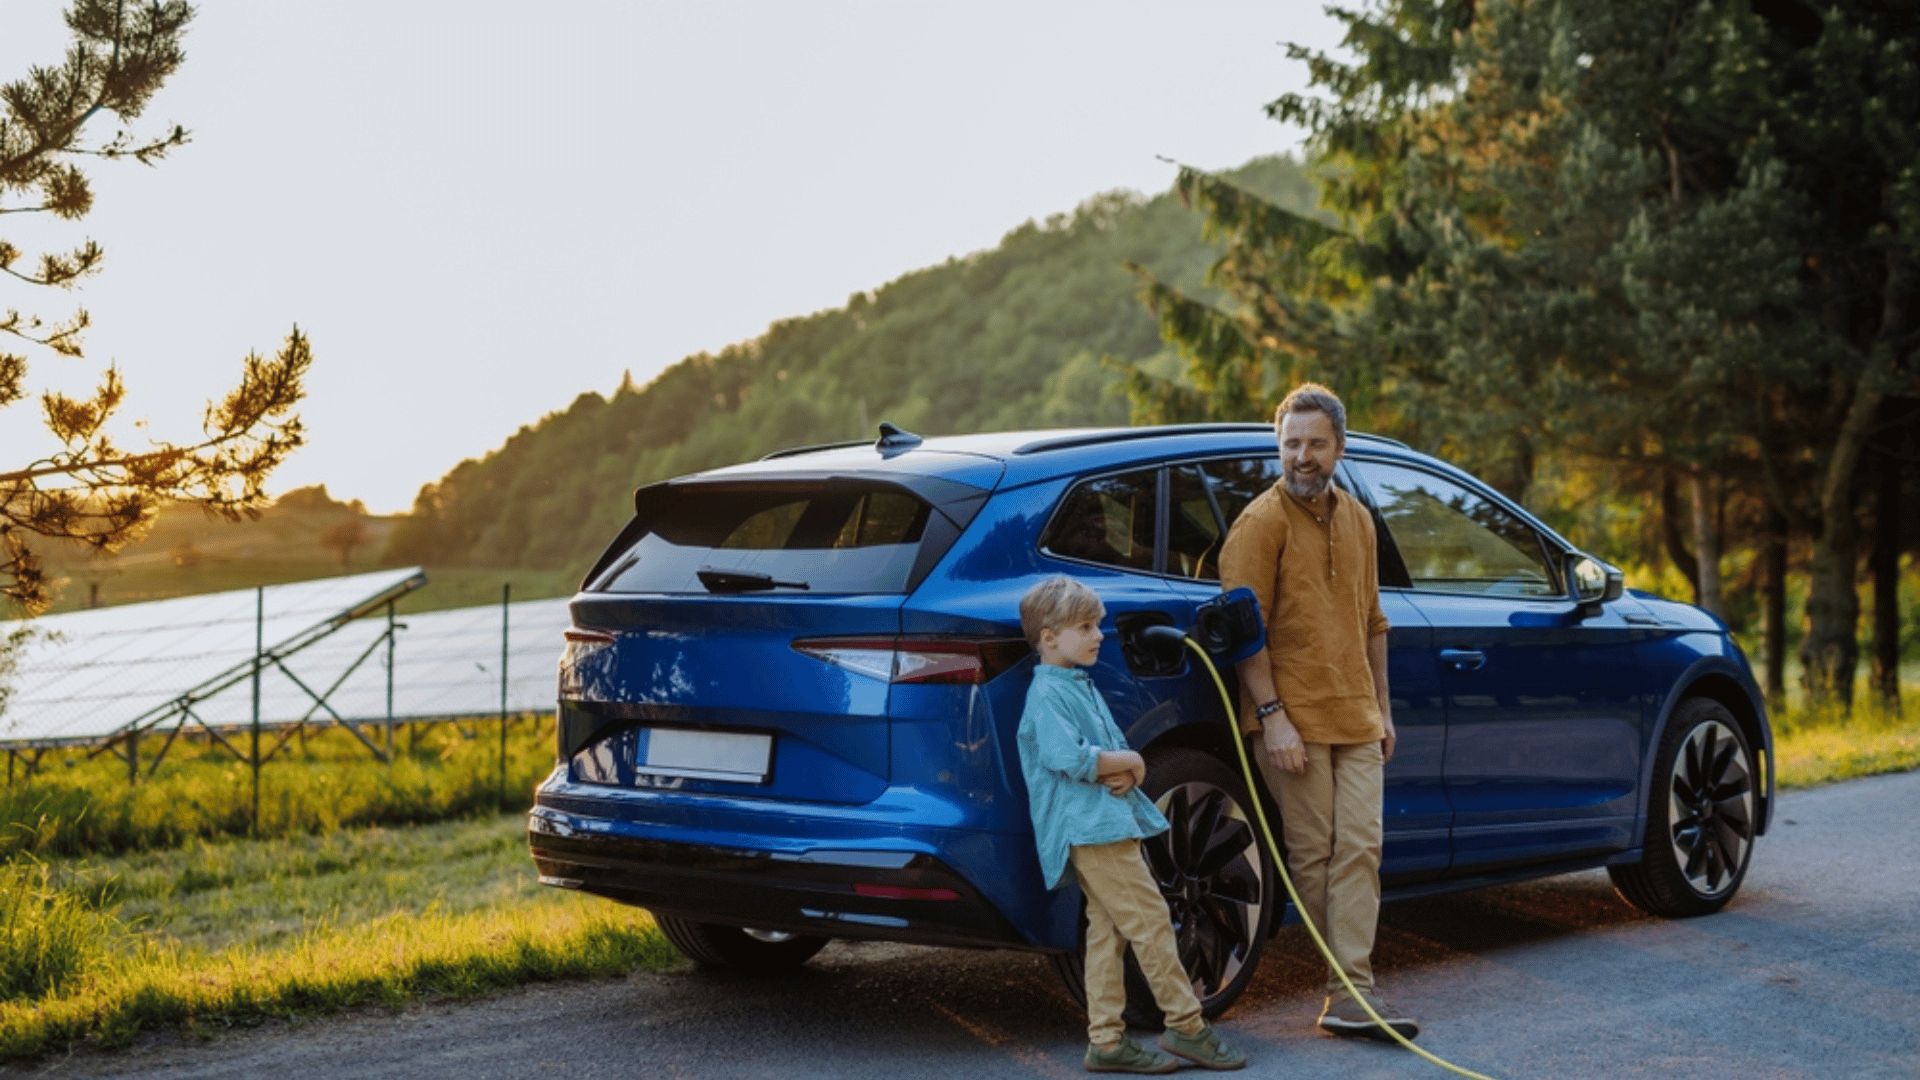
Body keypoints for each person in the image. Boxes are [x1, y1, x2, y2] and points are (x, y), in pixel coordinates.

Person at [1217, 382, 1421, 1042]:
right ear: (1278, 446)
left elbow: (1373, 620)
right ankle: (1350, 994)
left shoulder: (1359, 519)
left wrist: (1383, 709)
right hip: (1291, 722)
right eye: (1290, 443)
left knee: (1361, 849)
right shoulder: (1260, 525)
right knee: (1315, 856)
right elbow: (1245, 632)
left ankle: (1350, 994)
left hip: (1357, 716)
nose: (1301, 456)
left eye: (1315, 444)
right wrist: (1272, 715)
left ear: (1339, 447)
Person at [1015, 574, 1248, 1074]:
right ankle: (1188, 1028)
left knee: (1109, 932)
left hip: (1103, 820)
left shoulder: (1076, 684)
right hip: (1091, 828)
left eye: (1098, 624)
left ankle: (1106, 1040)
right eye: (1086, 626)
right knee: (1152, 923)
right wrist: (1130, 762)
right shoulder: (1048, 695)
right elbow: (1068, 756)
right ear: (1050, 637)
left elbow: (1098, 755)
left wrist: (1121, 769)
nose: (1100, 634)